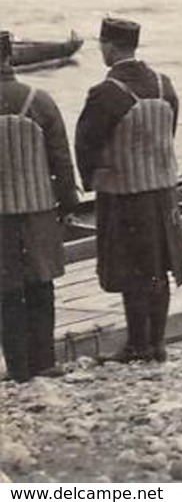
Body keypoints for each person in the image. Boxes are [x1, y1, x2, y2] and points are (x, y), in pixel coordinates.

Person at [73, 17, 182, 363]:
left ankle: (136, 343)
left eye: (102, 45)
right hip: (163, 190)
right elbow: (170, 131)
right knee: (159, 267)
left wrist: (91, 179)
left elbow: (86, 143)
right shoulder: (163, 84)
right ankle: (157, 343)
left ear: (109, 46)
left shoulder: (107, 93)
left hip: (124, 194)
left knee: (130, 269)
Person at [0, 30, 76, 383]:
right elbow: (61, 159)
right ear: (10, 58)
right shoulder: (40, 100)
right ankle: (44, 361)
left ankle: (17, 368)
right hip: (38, 209)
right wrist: (68, 204)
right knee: (41, 284)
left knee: (6, 291)